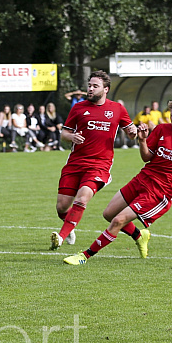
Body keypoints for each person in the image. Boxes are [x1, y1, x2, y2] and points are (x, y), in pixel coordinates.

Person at [64, 97, 172, 265]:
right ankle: (139, 235)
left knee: (118, 220)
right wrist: (142, 140)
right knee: (108, 214)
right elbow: (146, 157)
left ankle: (84, 256)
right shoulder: (160, 129)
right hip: (142, 178)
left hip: (160, 191)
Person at [50, 70, 137, 251]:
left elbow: (131, 131)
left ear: (105, 89)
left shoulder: (117, 109)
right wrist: (72, 137)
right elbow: (64, 133)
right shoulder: (79, 107)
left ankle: (61, 235)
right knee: (62, 207)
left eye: (94, 86)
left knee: (82, 199)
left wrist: (135, 132)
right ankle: (70, 226)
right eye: (89, 85)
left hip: (99, 164)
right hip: (75, 163)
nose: (90, 89)